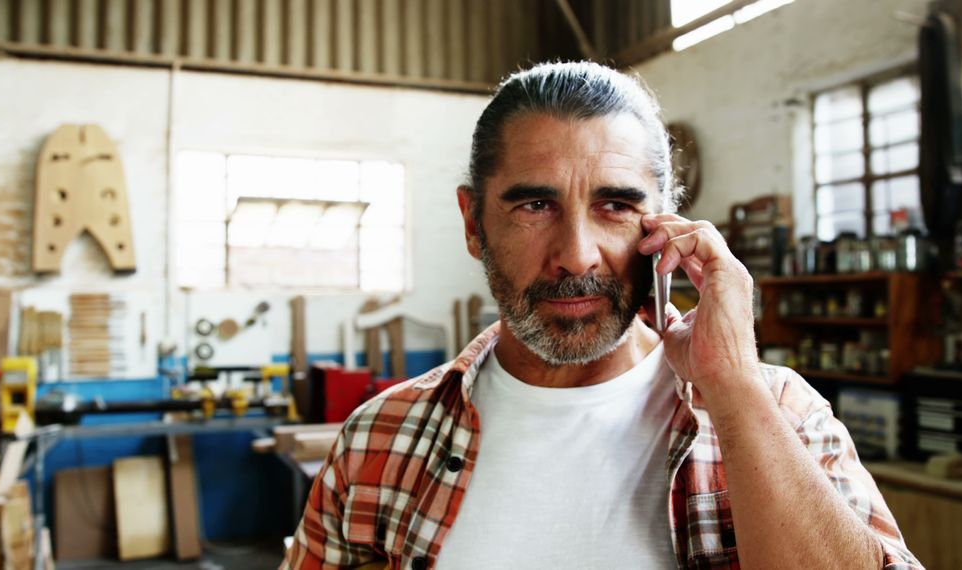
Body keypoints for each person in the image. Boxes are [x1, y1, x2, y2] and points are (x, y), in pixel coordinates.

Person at [280, 61, 921, 570]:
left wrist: (734, 390)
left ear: (665, 225)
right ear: (473, 223)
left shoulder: (780, 414)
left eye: (615, 205)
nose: (575, 255)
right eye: (535, 205)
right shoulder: (380, 439)